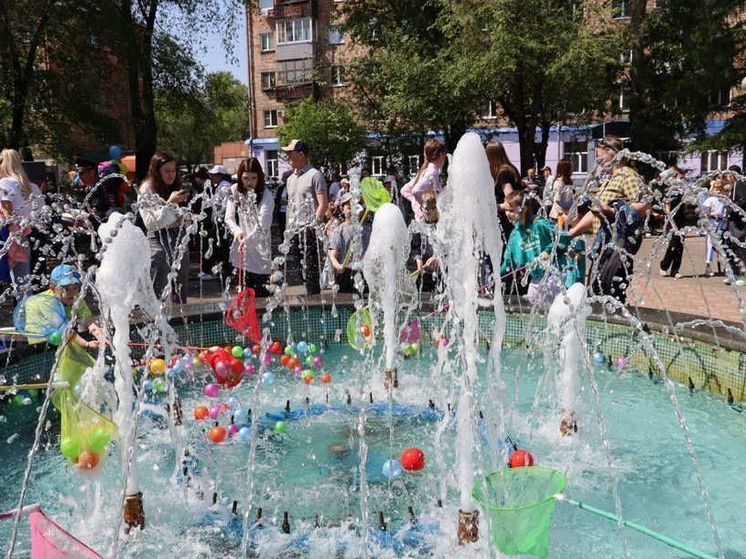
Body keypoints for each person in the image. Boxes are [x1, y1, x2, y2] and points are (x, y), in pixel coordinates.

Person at [138, 152, 190, 303]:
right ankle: (156, 315)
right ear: (157, 171)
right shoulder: (146, 189)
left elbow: (178, 217)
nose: (171, 175)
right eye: (167, 171)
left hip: (177, 235)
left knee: (183, 263)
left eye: (173, 170)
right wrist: (170, 203)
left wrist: (185, 218)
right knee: (160, 261)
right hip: (157, 238)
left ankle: (181, 313)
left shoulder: (175, 187)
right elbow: (150, 223)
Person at [282, 139, 328, 296]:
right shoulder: (290, 178)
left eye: (290, 152)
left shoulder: (315, 175)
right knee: (297, 269)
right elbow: (291, 206)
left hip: (309, 230)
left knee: (311, 270)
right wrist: (287, 230)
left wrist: (314, 226)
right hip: (294, 230)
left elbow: (323, 204)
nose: (287, 155)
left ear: (301, 154)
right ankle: (305, 301)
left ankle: (314, 299)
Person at [225, 158, 274, 297]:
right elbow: (228, 217)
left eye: (254, 178)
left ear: (260, 177)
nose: (249, 182)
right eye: (246, 178)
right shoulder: (234, 190)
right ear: (240, 176)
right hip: (240, 254)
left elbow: (263, 226)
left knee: (261, 298)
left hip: (260, 254)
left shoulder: (266, 195)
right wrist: (237, 231)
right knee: (242, 298)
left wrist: (246, 242)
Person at [0, 149, 43, 295]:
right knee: (23, 285)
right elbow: (39, 214)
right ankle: (26, 316)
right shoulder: (31, 186)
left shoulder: (5, 183)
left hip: (7, 237)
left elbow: (7, 213)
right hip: (24, 236)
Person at [328, 192, 371, 292]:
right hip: (346, 272)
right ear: (342, 209)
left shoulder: (368, 228)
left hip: (364, 272)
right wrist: (338, 266)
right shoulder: (339, 230)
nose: (353, 210)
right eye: (349, 207)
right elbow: (332, 255)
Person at [401, 139, 446, 221]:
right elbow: (415, 191)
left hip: (425, 221)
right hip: (427, 221)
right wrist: (426, 207)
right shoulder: (432, 172)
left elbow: (405, 190)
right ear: (440, 155)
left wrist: (416, 204)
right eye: (444, 156)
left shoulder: (427, 170)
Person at [201, 164, 232, 279]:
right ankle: (221, 270)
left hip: (222, 222)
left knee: (222, 246)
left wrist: (216, 207)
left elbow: (226, 204)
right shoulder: (219, 186)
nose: (211, 177)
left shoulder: (225, 187)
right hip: (217, 221)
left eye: (214, 175)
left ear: (220, 176)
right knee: (218, 246)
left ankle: (225, 271)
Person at [659, 167, 688, 279]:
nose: (683, 176)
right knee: (673, 244)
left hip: (682, 219)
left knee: (680, 245)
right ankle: (664, 265)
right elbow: (667, 204)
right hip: (672, 219)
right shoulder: (671, 187)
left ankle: (675, 270)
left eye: (683, 174)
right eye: (681, 174)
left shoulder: (684, 187)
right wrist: (668, 217)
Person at [409, 190, 440, 292]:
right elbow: (415, 248)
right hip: (424, 273)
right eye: (427, 209)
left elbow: (449, 246)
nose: (430, 212)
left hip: (442, 273)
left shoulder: (443, 225)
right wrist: (418, 259)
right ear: (421, 209)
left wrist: (437, 257)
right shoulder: (418, 226)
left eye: (433, 208)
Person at [702, 175, 728, 277]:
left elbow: (726, 209)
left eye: (720, 189)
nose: (719, 191)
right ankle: (708, 265)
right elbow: (704, 212)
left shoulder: (724, 199)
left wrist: (725, 215)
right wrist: (712, 214)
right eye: (717, 189)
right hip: (712, 223)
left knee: (722, 244)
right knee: (710, 244)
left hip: (722, 223)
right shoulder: (710, 199)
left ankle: (725, 266)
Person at [725, 165, 746, 286]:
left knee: (739, 246)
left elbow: (743, 199)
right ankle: (733, 273)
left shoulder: (740, 184)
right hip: (734, 221)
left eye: (729, 174)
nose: (727, 177)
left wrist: (731, 210)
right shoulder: (736, 185)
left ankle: (741, 275)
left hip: (739, 222)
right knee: (732, 245)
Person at [548, 159, 574, 224]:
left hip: (566, 215)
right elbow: (557, 200)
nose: (572, 170)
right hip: (557, 217)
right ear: (566, 169)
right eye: (570, 168)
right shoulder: (558, 182)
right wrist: (562, 214)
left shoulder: (568, 181)